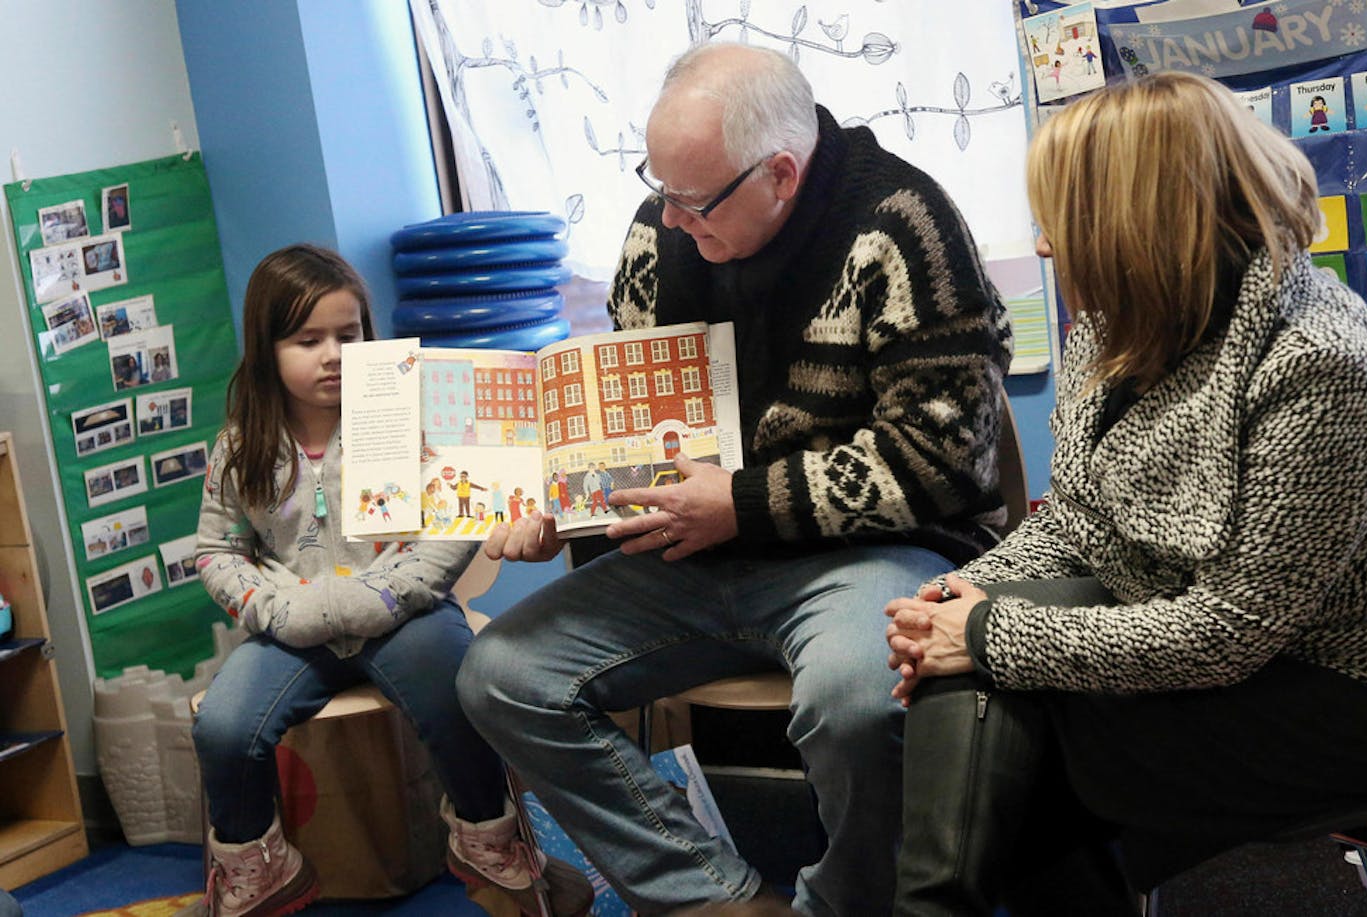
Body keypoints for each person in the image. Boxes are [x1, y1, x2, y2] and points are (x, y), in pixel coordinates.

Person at [460, 42, 1012, 915]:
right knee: (500, 673)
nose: (668, 219)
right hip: (699, 555)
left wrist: (743, 504)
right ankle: (714, 899)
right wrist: (556, 506)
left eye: (691, 200)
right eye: (658, 187)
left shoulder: (903, 225)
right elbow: (631, 442)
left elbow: (944, 462)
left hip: (873, 551)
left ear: (781, 175)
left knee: (860, 702)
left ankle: (848, 903)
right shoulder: (661, 230)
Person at [885, 71, 1367, 916]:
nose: (1043, 246)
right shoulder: (1118, 325)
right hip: (1227, 631)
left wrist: (991, 632)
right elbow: (1075, 519)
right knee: (986, 693)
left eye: (1059, 220)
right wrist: (959, 600)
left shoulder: (1322, 367)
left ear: (1135, 225)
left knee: (1027, 738)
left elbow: (1230, 632)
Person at [185, 244, 591, 917]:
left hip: (404, 613)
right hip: (295, 627)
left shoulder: (408, 420)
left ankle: (488, 835)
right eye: (307, 339)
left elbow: (455, 519)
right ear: (265, 348)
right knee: (225, 727)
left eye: (348, 335)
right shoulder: (241, 446)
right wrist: (272, 608)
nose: (333, 354)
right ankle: (255, 867)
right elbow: (216, 552)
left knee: (460, 682)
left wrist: (391, 592)